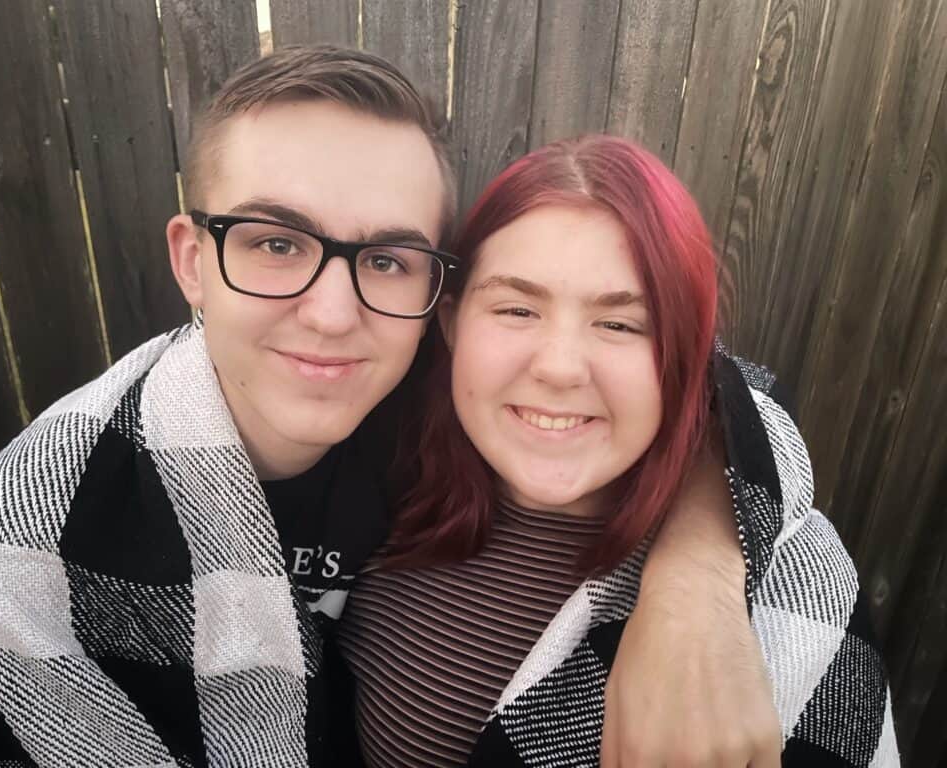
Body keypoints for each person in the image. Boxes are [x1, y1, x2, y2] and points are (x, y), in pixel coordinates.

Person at [0, 46, 774, 766]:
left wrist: (696, 573)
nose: (333, 316)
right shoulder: (19, 548)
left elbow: (708, 388)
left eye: (387, 259)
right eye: (276, 243)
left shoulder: (441, 396)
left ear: (434, 289)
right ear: (191, 262)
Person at [340, 135, 899, 767]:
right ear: (450, 323)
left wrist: (700, 579)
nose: (558, 368)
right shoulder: (372, 478)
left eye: (620, 324)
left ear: (684, 354)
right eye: (517, 308)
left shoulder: (786, 605)